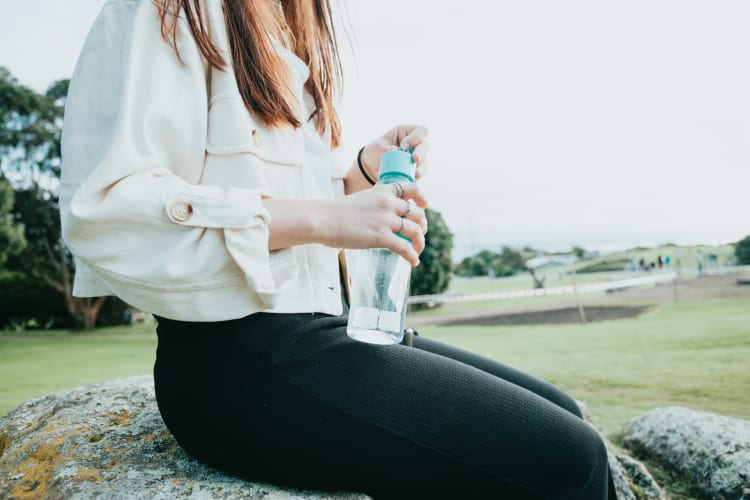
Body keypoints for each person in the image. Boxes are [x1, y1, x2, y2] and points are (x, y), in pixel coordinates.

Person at [60, 0, 616, 498]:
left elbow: (288, 218)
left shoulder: (288, 30)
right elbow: (107, 210)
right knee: (571, 462)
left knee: (567, 418)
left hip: (327, 325)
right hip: (235, 360)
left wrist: (358, 177)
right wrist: (332, 218)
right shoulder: (165, 11)